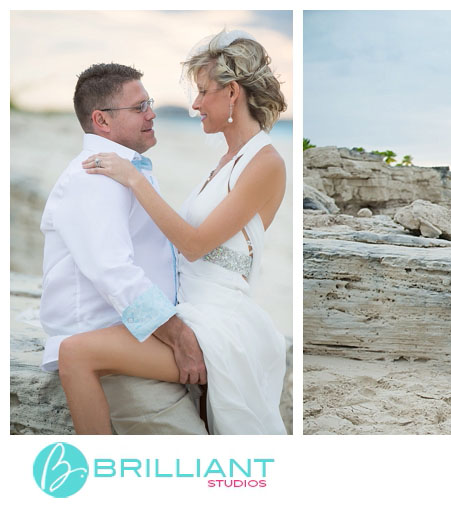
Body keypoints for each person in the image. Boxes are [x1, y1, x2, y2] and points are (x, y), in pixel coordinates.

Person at [54, 30, 288, 434]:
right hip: (188, 310)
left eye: (202, 91)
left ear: (232, 93)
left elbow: (194, 245)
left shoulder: (266, 162)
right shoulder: (226, 160)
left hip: (217, 321)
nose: (194, 104)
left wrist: (134, 179)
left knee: (75, 353)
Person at [40, 62, 208, 435]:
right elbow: (113, 271)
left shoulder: (123, 170)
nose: (151, 114)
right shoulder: (94, 177)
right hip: (112, 354)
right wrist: (178, 336)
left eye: (148, 104)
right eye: (139, 108)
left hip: (138, 340)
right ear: (101, 120)